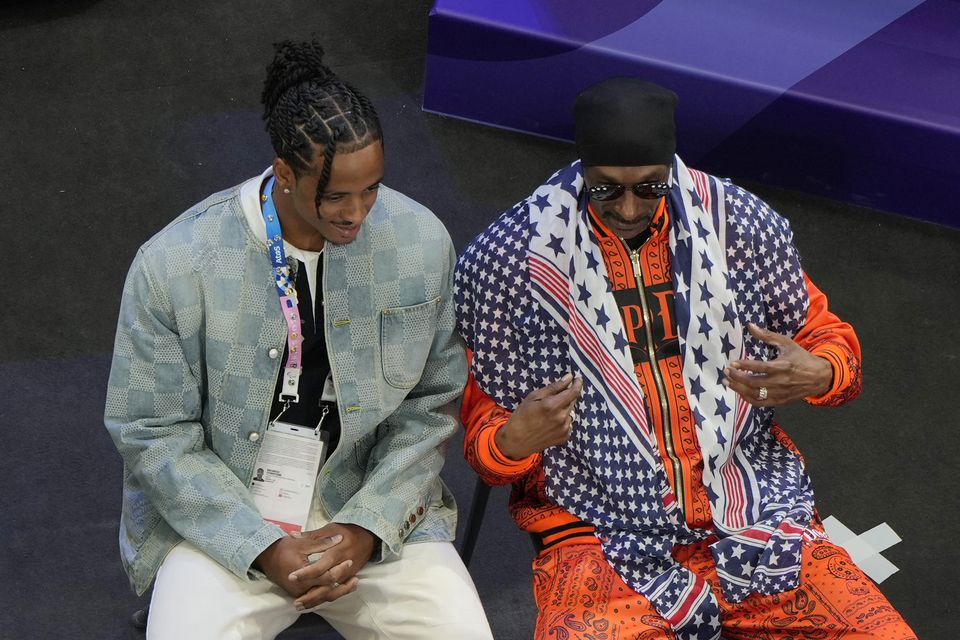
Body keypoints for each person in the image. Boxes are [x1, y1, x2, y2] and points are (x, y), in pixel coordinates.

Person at [454, 77, 914, 640]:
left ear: (671, 169)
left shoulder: (738, 227)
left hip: (754, 506)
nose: (628, 209)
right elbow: (485, 443)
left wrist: (820, 372)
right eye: (605, 191)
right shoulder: (511, 262)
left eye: (650, 188)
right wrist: (513, 442)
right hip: (597, 533)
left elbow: (830, 343)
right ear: (581, 171)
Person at [104, 40, 493, 640]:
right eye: (335, 194)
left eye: (372, 190)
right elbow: (150, 432)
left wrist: (369, 527)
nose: (357, 213)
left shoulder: (420, 243)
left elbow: (430, 406)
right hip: (226, 516)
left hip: (369, 508)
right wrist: (260, 546)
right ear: (284, 173)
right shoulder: (175, 265)